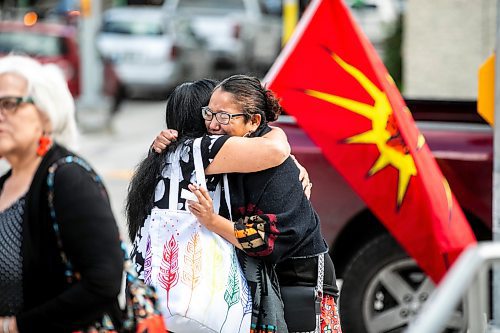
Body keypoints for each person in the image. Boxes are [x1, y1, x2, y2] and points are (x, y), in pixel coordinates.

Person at [156, 75, 342, 333]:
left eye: (223, 117)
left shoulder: (274, 167)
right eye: (208, 114)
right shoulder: (243, 151)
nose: (212, 125)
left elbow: (265, 240)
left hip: (300, 279)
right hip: (265, 278)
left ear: (253, 121)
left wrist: (213, 221)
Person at [0, 55, 123, 333]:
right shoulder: (6, 184)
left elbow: (103, 282)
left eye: (9, 104)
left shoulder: (67, 177)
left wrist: (13, 326)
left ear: (45, 113)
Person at [127, 78, 292, 282]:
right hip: (183, 286)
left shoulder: (162, 155)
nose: (214, 122)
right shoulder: (202, 149)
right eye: (210, 112)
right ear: (200, 115)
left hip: (145, 279)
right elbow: (276, 150)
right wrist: (276, 131)